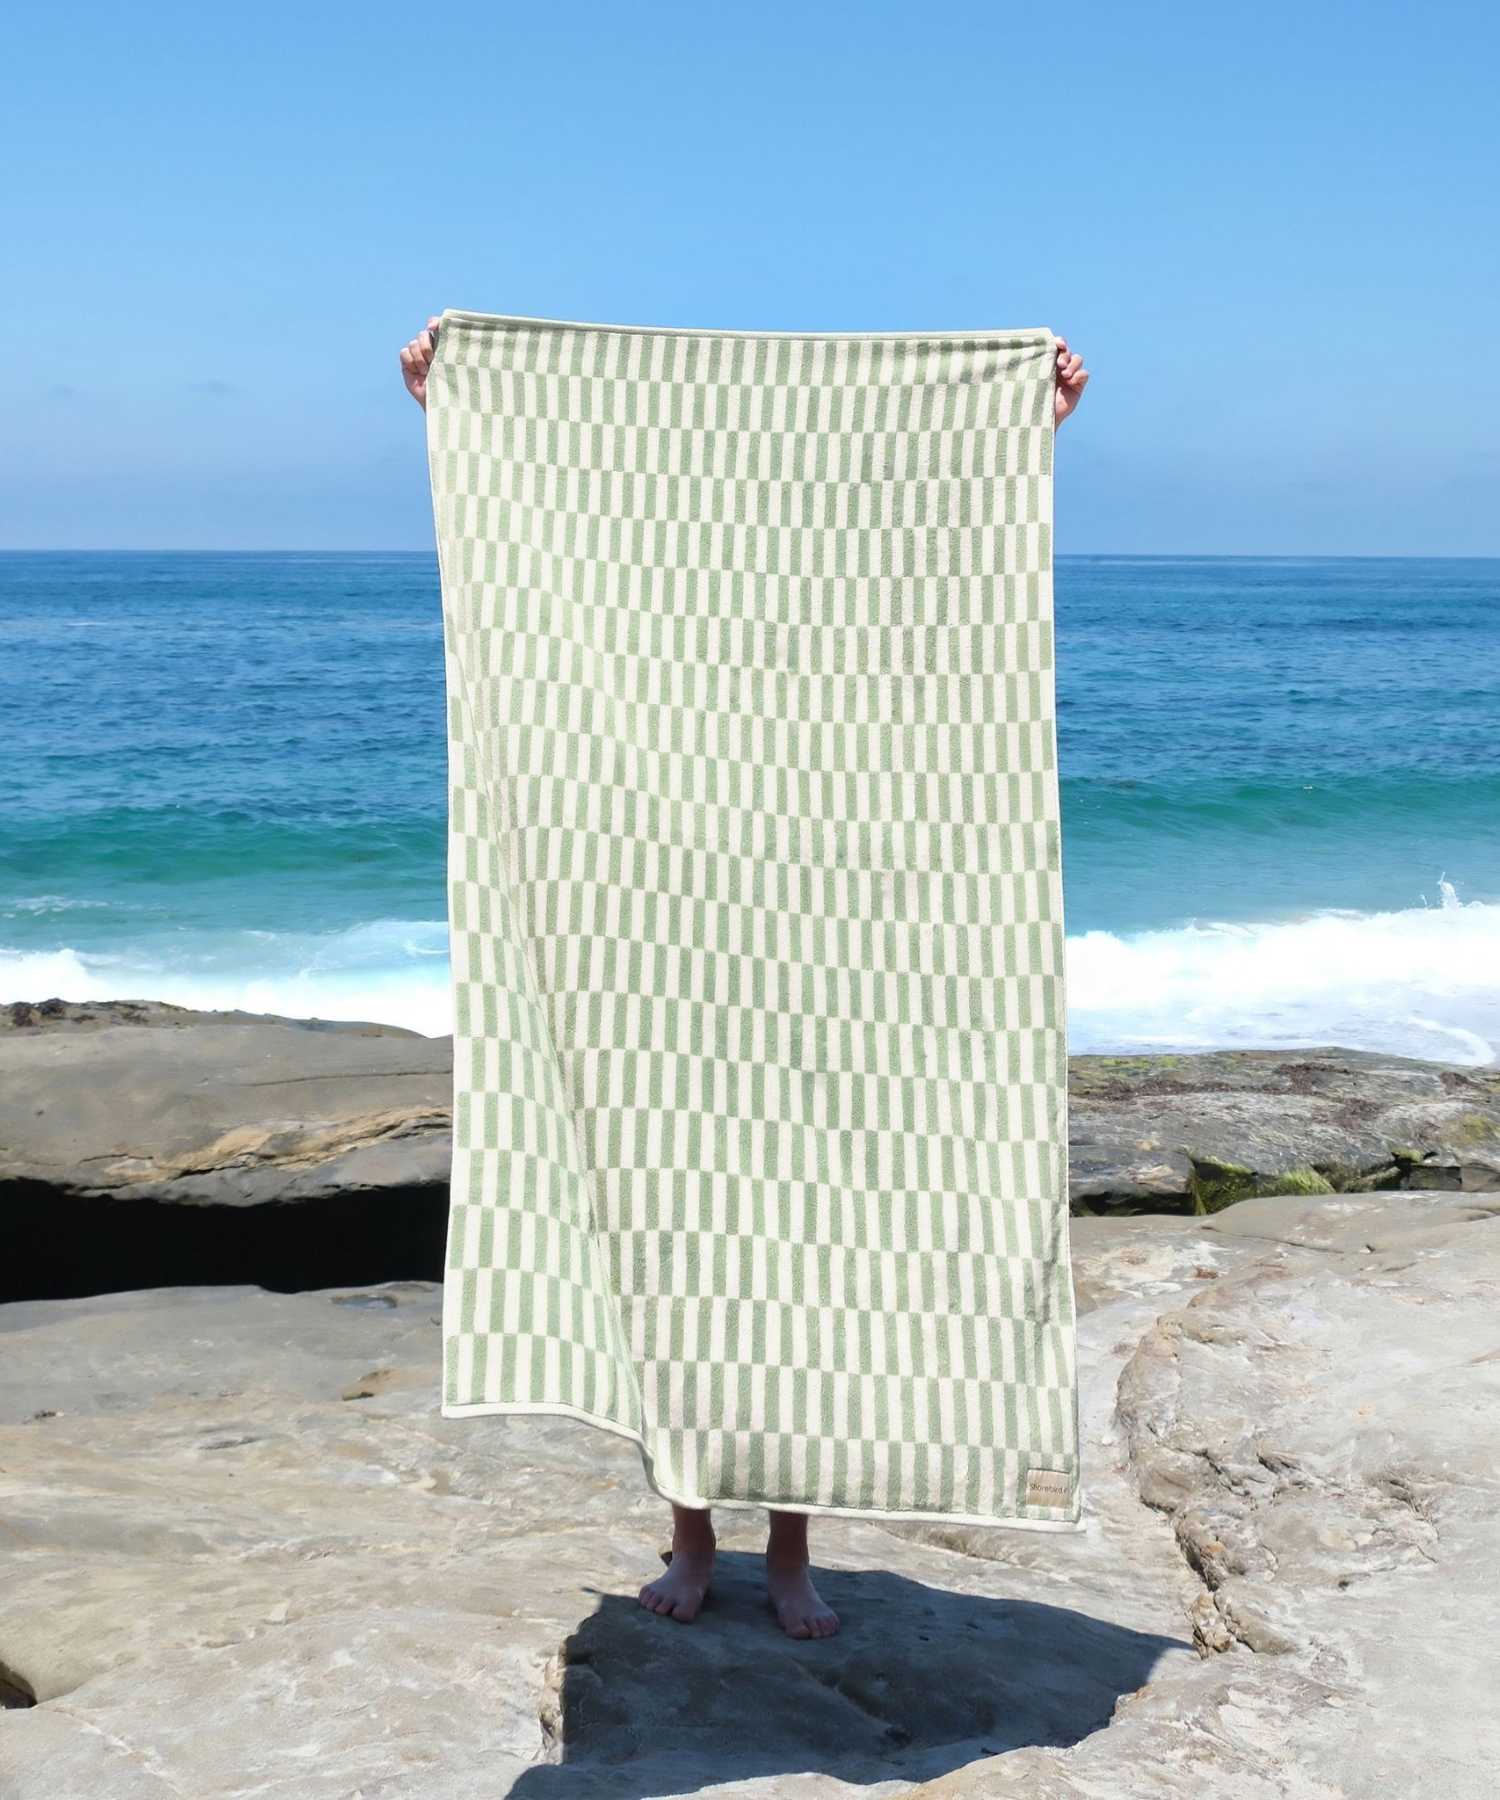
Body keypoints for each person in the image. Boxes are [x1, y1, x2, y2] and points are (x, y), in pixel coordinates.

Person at [401, 314, 1089, 1640]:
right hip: (672, 924)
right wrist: (452, 399)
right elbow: (566, 491)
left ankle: (789, 1554)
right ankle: (688, 1540)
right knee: (678, 1238)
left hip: (827, 926)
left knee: (803, 1253)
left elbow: (923, 519)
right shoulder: (675, 590)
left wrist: (1027, 421)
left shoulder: (828, 607)